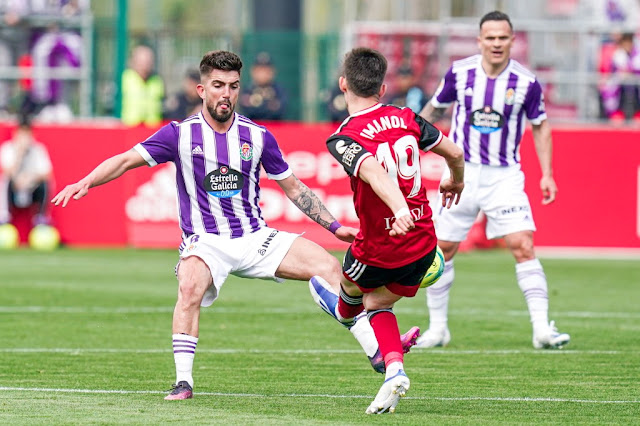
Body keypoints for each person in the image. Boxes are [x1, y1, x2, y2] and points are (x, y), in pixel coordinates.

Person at [51, 50, 420, 401]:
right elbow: (125, 160)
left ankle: (375, 352)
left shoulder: (258, 136)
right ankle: (183, 380)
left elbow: (294, 187)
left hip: (256, 237)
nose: (225, 94)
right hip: (207, 241)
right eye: (217, 86)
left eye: (232, 86)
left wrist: (333, 226)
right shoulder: (179, 134)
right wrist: (86, 181)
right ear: (202, 89)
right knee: (190, 284)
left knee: (328, 268)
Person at [309, 47, 464, 414]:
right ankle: (394, 369)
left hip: (380, 244)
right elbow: (455, 153)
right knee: (379, 303)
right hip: (425, 241)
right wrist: (455, 181)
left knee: (349, 305)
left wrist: (398, 210)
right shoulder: (407, 116)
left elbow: (375, 173)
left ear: (343, 84)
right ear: (382, 88)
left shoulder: (343, 137)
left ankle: (345, 313)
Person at [415, 11, 571, 350]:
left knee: (522, 244)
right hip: (461, 173)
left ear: (512, 40)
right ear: (480, 40)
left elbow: (541, 124)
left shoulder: (526, 82)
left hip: (504, 176)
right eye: (491, 37)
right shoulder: (460, 73)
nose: (497, 43)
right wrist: (409, 142)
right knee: (442, 249)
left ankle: (542, 329)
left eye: (503, 38)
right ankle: (438, 329)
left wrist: (547, 173)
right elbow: (434, 109)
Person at [0, 114, 52, 227]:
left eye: (27, 133)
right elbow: (7, 171)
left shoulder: (38, 149)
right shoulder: (7, 148)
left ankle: (41, 217)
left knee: (45, 184)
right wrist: (19, 154)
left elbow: (46, 173)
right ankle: (4, 217)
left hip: (32, 188)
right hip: (14, 188)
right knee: (5, 181)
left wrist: (30, 179)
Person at [600, 32, 640, 122]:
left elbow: (636, 67)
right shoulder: (618, 53)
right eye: (625, 43)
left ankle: (637, 113)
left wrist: (630, 72)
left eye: (629, 42)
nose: (627, 45)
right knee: (612, 88)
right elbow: (618, 69)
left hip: (636, 81)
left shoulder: (637, 53)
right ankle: (617, 113)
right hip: (620, 81)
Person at [121, 45, 165, 126]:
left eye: (148, 62)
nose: (145, 65)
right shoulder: (125, 78)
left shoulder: (157, 80)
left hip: (152, 128)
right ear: (133, 62)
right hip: (129, 127)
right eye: (141, 62)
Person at [238, 51, 287, 120]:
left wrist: (256, 104)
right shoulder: (247, 90)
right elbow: (247, 111)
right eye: (260, 70)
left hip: (274, 129)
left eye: (266, 70)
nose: (263, 74)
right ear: (253, 71)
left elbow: (279, 111)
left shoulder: (279, 90)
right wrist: (268, 105)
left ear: (272, 71)